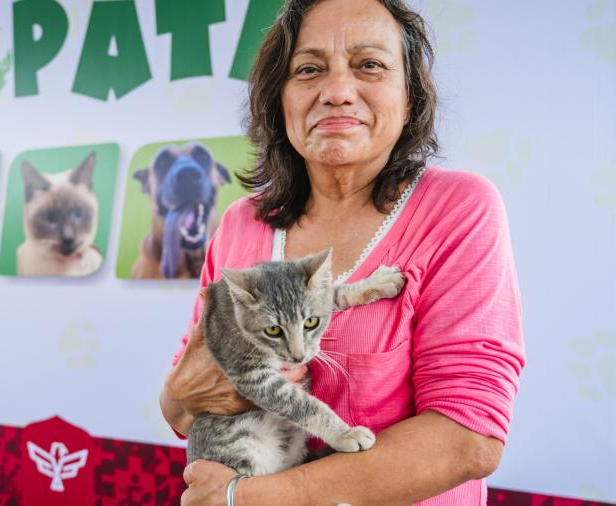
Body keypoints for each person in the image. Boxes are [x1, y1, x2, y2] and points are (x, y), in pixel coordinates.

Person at [158, 0, 526, 504]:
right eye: (308, 70)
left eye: (369, 65)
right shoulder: (241, 223)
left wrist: (247, 497)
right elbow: (185, 404)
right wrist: (177, 396)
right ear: (279, 99)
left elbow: (468, 439)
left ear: (411, 98)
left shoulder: (459, 207)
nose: (336, 93)